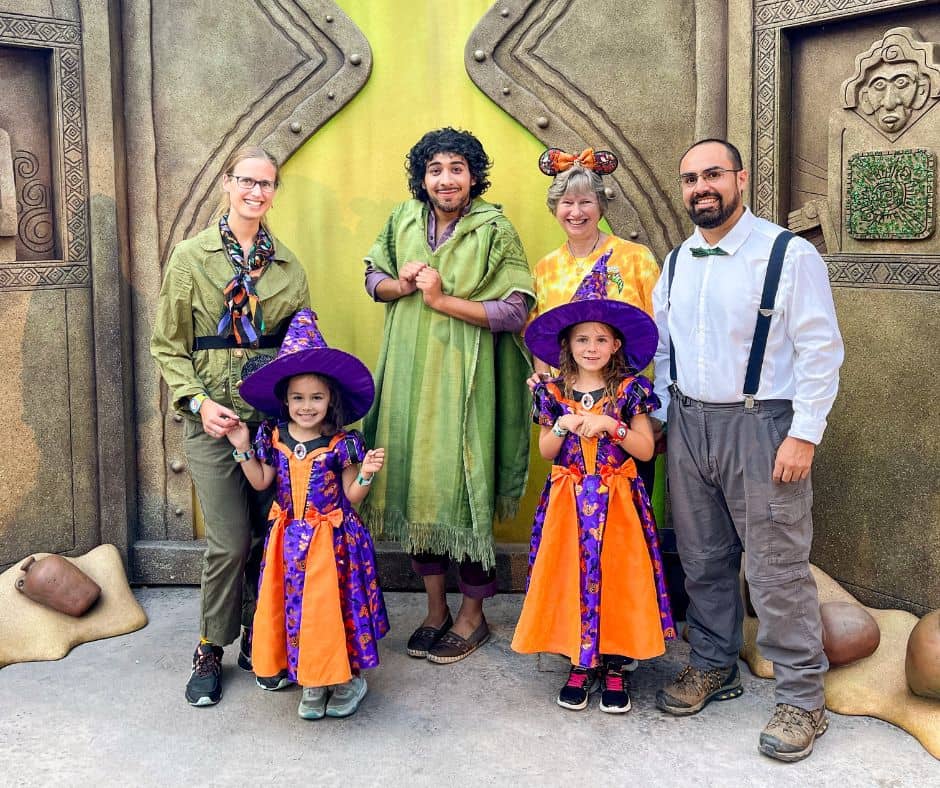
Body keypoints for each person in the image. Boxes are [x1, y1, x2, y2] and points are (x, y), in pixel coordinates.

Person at [652, 138, 844, 762]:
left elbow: (820, 349)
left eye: (712, 175)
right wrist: (658, 418)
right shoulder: (678, 260)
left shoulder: (786, 255)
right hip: (688, 423)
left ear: (739, 178)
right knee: (703, 557)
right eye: (689, 179)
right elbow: (661, 348)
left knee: (776, 566)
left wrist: (805, 433)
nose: (700, 187)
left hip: (764, 425)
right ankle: (714, 665)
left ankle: (802, 699)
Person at [361, 127, 534, 663]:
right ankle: (435, 611)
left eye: (456, 168)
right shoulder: (402, 219)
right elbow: (372, 279)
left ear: (473, 176)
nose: (446, 179)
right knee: (416, 487)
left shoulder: (494, 228)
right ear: (422, 178)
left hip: (466, 383)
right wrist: (403, 286)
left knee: (462, 491)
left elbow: (514, 311)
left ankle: (472, 616)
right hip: (408, 378)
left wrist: (440, 300)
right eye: (435, 169)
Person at [150, 145, 310, 707]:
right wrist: (196, 403)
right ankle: (211, 647)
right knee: (229, 540)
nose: (256, 192)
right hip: (212, 422)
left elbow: (300, 351)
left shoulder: (287, 266)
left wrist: (299, 419)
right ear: (226, 183)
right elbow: (167, 348)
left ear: (274, 192)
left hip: (270, 425)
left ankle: (260, 641)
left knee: (272, 535)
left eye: (267, 184)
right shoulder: (190, 258)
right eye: (247, 181)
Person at [512, 254, 675, 713]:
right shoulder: (552, 392)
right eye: (582, 338)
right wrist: (563, 424)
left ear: (616, 345)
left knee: (620, 577)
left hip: (618, 500)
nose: (591, 346)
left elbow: (644, 449)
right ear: (567, 343)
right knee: (572, 574)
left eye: (601, 338)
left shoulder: (629, 391)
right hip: (567, 501)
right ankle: (581, 661)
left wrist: (611, 426)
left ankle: (618, 664)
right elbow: (546, 450)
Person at [229, 308, 389, 720]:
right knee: (298, 610)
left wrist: (367, 475)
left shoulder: (343, 443)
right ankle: (312, 682)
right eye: (298, 398)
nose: (306, 406)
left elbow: (352, 496)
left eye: (316, 397)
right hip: (288, 543)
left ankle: (347, 680)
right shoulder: (273, 436)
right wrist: (243, 445)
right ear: (284, 399)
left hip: (332, 543)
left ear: (331, 398)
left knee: (330, 612)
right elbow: (262, 480)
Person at [531, 147, 662, 493]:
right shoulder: (546, 268)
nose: (576, 212)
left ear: (601, 206)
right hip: (569, 410)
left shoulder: (635, 258)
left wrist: (657, 409)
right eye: (567, 203)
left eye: (585, 202)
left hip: (626, 407)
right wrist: (545, 388)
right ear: (555, 209)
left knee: (629, 502)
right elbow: (542, 336)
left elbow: (662, 332)